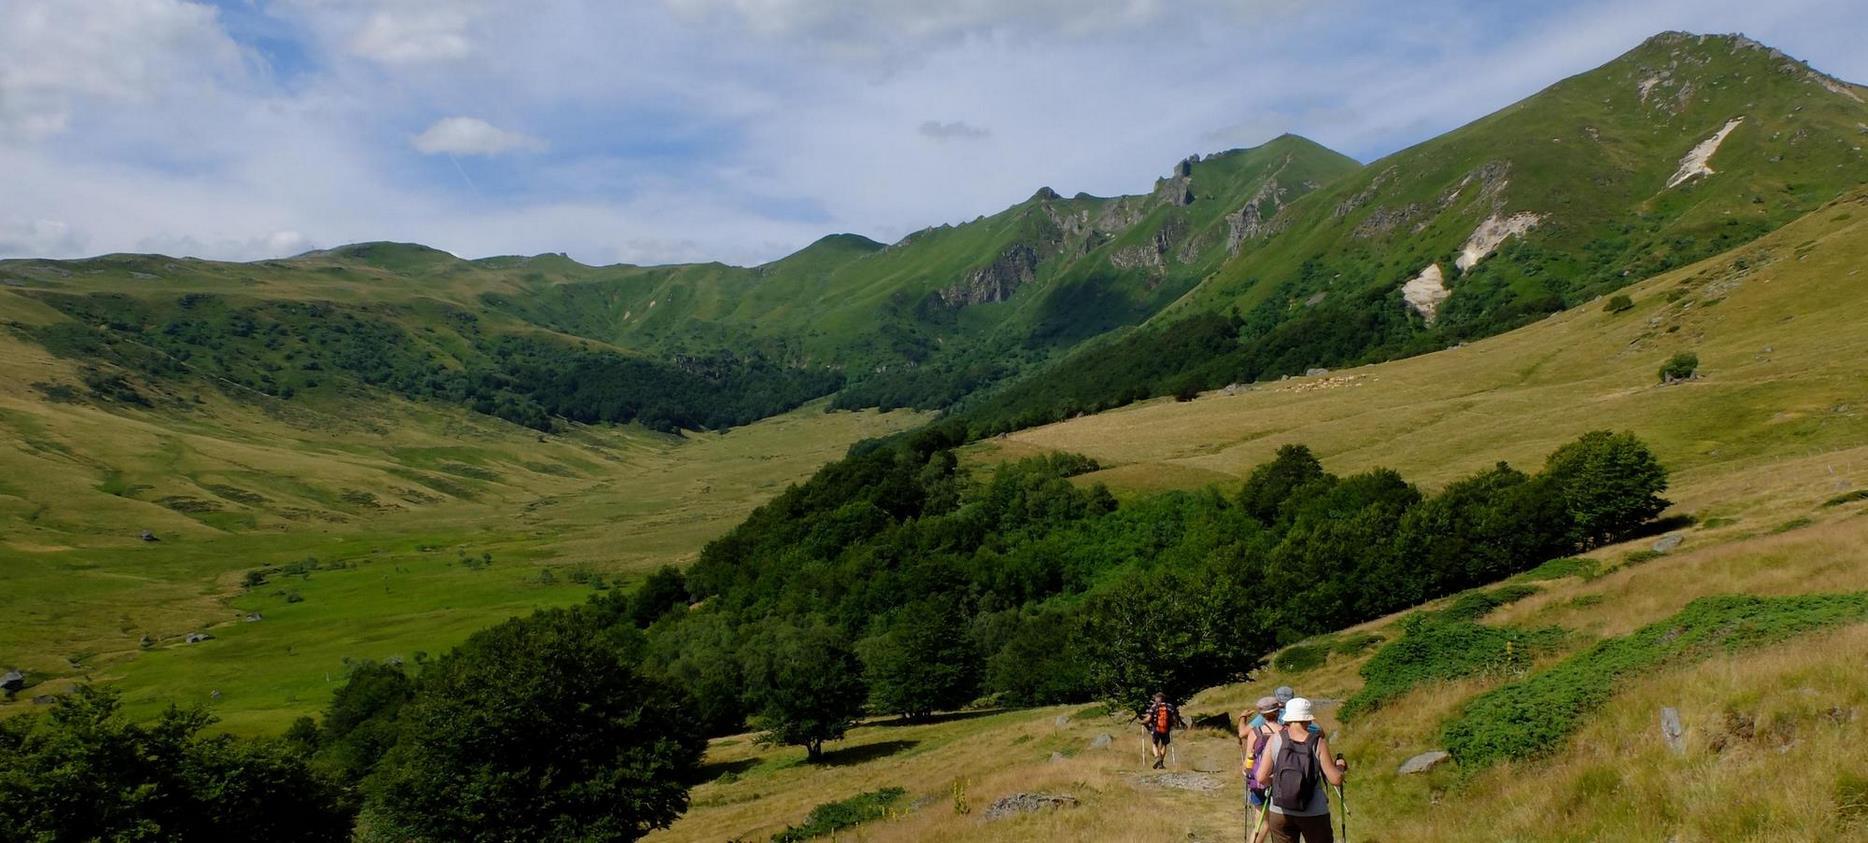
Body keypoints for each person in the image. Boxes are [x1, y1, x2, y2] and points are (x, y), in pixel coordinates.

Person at [1254, 697, 1347, 843]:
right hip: (1313, 811)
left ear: (1288, 717)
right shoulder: (1318, 742)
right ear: (1308, 719)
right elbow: (1335, 780)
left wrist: (1277, 780)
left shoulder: (1275, 739)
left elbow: (1260, 778)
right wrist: (1340, 766)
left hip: (1280, 811)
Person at [1239, 696, 1281, 842]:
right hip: (1279, 783)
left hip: (1258, 782)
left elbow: (1248, 760)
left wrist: (1247, 773)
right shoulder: (1285, 732)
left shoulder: (1255, 732)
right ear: (1278, 711)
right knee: (1282, 826)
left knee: (1261, 823)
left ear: (1261, 715)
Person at [1138, 692, 1185, 769]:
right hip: (1166, 729)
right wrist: (1174, 724)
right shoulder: (1170, 706)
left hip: (1156, 728)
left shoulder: (1154, 707)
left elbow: (1149, 718)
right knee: (1164, 744)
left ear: (1157, 698)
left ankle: (1157, 758)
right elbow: (1173, 718)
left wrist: (1142, 722)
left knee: (1154, 744)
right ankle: (1161, 763)